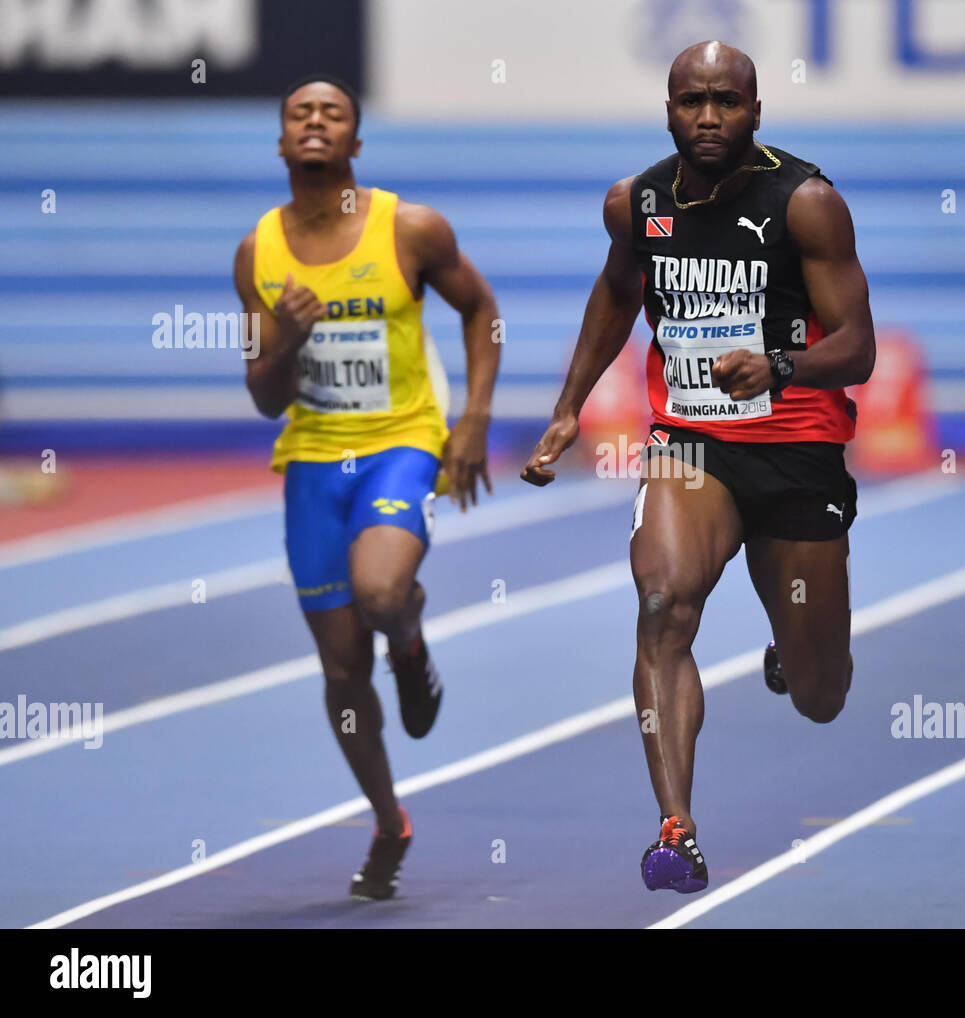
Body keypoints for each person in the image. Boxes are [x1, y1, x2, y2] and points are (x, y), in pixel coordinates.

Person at [521, 41, 875, 894]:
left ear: (756, 112)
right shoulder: (637, 203)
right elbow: (617, 291)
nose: (707, 117)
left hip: (796, 452)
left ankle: (793, 650)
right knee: (662, 604)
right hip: (691, 443)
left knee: (821, 695)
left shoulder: (808, 204)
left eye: (726, 101)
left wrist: (779, 366)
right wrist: (571, 404)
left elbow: (858, 347)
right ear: (668, 108)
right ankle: (676, 829)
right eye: (690, 101)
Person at [234, 74, 500, 900]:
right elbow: (263, 396)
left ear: (354, 143)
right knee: (344, 672)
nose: (314, 121)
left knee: (380, 590)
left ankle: (409, 635)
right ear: (282, 144)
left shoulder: (408, 228)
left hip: (400, 445)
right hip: (313, 459)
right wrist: (287, 341)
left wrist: (473, 421)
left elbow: (480, 309)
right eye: (298, 113)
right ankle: (389, 821)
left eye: (333, 113)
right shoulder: (257, 256)